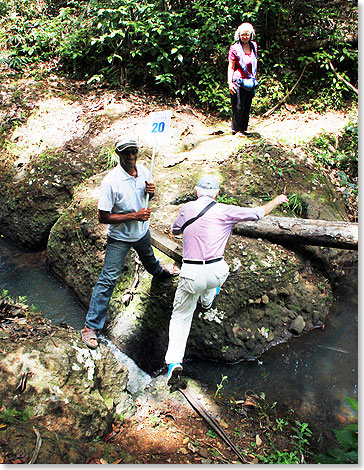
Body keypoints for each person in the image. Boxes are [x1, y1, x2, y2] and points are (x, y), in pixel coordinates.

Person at [165, 175, 288, 385]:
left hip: (191, 273)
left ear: (196, 192)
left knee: (180, 317)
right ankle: (207, 300)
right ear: (217, 194)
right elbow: (258, 213)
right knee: (214, 281)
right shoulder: (225, 210)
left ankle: (174, 363)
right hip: (216, 272)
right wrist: (277, 200)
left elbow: (175, 230)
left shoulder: (187, 209)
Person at [81, 136, 177, 349]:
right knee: (108, 279)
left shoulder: (144, 171)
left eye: (134, 152)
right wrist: (134, 216)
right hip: (120, 237)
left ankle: (161, 272)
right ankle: (90, 327)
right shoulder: (111, 182)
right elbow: (103, 217)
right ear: (119, 155)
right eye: (127, 153)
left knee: (150, 260)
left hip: (141, 232)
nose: (132, 156)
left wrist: (150, 193)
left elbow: (145, 199)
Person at [227, 22, 258, 136]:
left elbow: (254, 63)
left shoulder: (253, 46)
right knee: (238, 106)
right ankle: (236, 130)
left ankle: (243, 129)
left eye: (247, 34)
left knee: (246, 105)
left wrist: (254, 79)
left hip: (249, 81)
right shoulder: (234, 48)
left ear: (251, 35)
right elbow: (231, 66)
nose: (245, 37)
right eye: (242, 35)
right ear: (239, 35)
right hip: (237, 80)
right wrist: (230, 83)